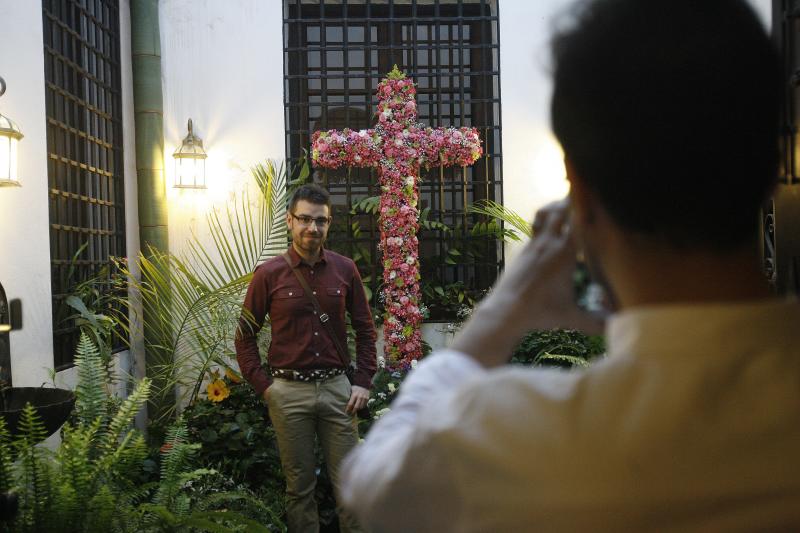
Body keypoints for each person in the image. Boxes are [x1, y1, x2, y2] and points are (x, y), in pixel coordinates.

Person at [340, 0, 800, 530]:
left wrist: (503, 310)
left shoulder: (518, 438)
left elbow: (375, 484)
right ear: (776, 165)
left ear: (578, 190)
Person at [235, 183, 377, 533]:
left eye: (321, 221)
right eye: (305, 219)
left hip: (337, 392)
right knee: (299, 489)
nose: (313, 228)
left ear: (329, 224)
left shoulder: (345, 270)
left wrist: (362, 382)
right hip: (288, 392)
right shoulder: (268, 274)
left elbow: (365, 329)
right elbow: (244, 336)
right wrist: (266, 388)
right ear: (289, 220)